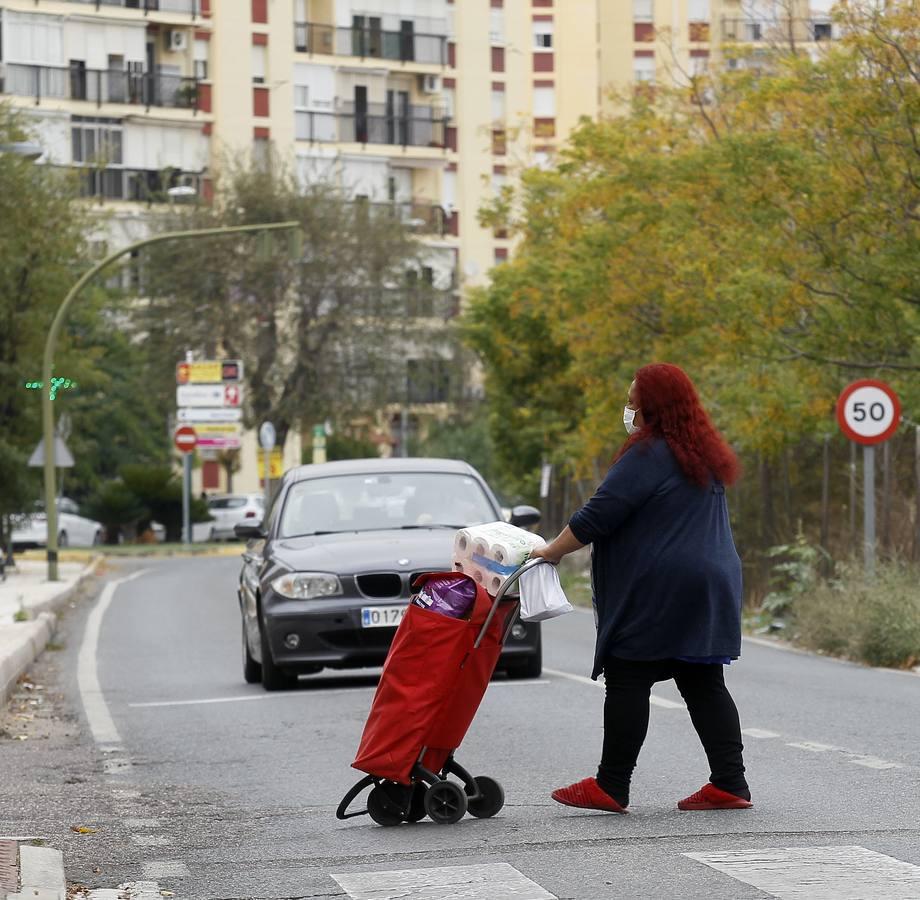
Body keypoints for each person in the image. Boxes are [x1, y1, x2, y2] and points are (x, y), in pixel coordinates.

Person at [530, 363, 752, 814]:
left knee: (628, 671)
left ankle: (612, 784)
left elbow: (599, 513)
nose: (628, 409)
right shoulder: (701, 451)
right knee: (702, 677)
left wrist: (550, 552)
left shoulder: (652, 452)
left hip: (663, 584)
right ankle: (730, 783)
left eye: (634, 402)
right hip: (712, 578)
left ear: (653, 408)